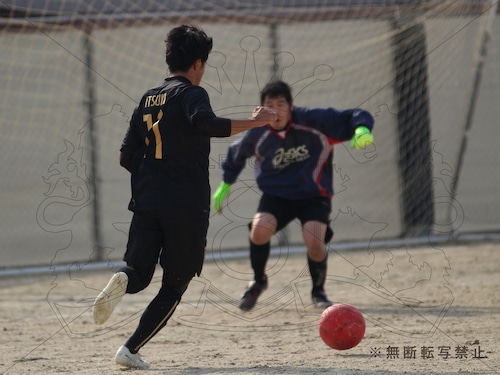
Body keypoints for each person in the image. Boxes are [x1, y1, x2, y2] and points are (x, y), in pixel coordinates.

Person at [91, 24, 276, 370]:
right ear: (197, 64)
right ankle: (129, 349)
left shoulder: (147, 98)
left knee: (140, 274)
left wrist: (155, 179)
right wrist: (255, 123)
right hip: (186, 206)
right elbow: (206, 124)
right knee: (175, 283)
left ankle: (122, 281)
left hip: (147, 202)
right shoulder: (192, 93)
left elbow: (125, 157)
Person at [212, 80, 374, 311]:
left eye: (281, 104)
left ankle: (318, 291)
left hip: (313, 194)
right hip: (277, 195)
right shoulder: (257, 132)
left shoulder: (313, 121)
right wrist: (225, 186)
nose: (276, 111)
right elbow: (235, 155)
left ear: (292, 106)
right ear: (261, 109)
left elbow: (356, 115)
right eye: (269, 105)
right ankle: (258, 282)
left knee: (314, 238)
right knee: (259, 229)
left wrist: (362, 128)